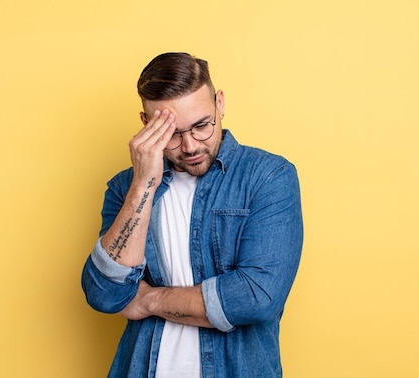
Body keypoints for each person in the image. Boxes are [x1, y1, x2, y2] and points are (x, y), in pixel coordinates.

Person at [81, 52, 303, 377]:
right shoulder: (124, 188)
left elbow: (257, 296)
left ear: (220, 104)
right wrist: (144, 183)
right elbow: (106, 294)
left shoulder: (268, 177)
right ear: (146, 124)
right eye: (172, 133)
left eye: (201, 125)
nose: (189, 146)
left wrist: (147, 301)